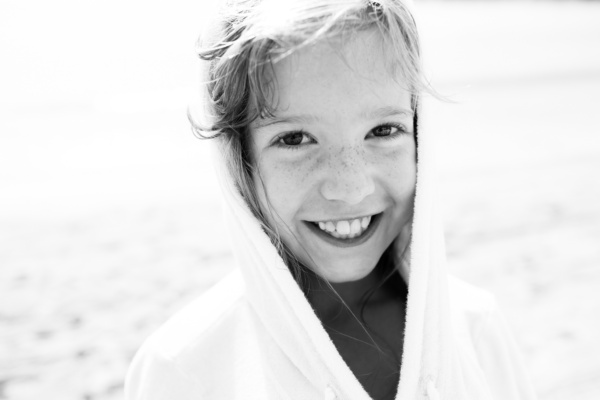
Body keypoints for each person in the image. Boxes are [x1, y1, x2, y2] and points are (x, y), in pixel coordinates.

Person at [125, 0, 537, 399]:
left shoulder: (475, 328)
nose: (351, 188)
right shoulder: (187, 370)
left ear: (419, 135)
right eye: (294, 138)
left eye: (383, 131)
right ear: (240, 163)